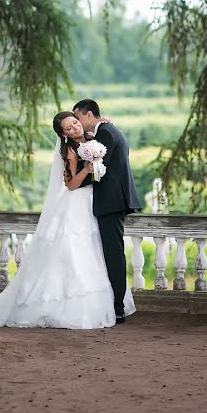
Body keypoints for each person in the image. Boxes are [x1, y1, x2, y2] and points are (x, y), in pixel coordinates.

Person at [0, 111, 136, 328]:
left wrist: (104, 122)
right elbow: (71, 184)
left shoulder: (93, 138)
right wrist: (88, 170)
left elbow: (100, 133)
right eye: (69, 128)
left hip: (94, 202)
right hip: (77, 203)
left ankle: (106, 303)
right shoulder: (71, 151)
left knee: (96, 250)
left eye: (74, 122)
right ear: (64, 135)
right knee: (73, 250)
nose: (75, 128)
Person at [73, 98, 143, 324]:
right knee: (111, 254)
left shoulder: (106, 135)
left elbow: (97, 171)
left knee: (114, 255)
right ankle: (114, 304)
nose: (78, 122)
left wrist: (73, 183)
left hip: (111, 202)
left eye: (79, 117)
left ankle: (118, 308)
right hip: (113, 202)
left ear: (90, 114)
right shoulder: (107, 131)